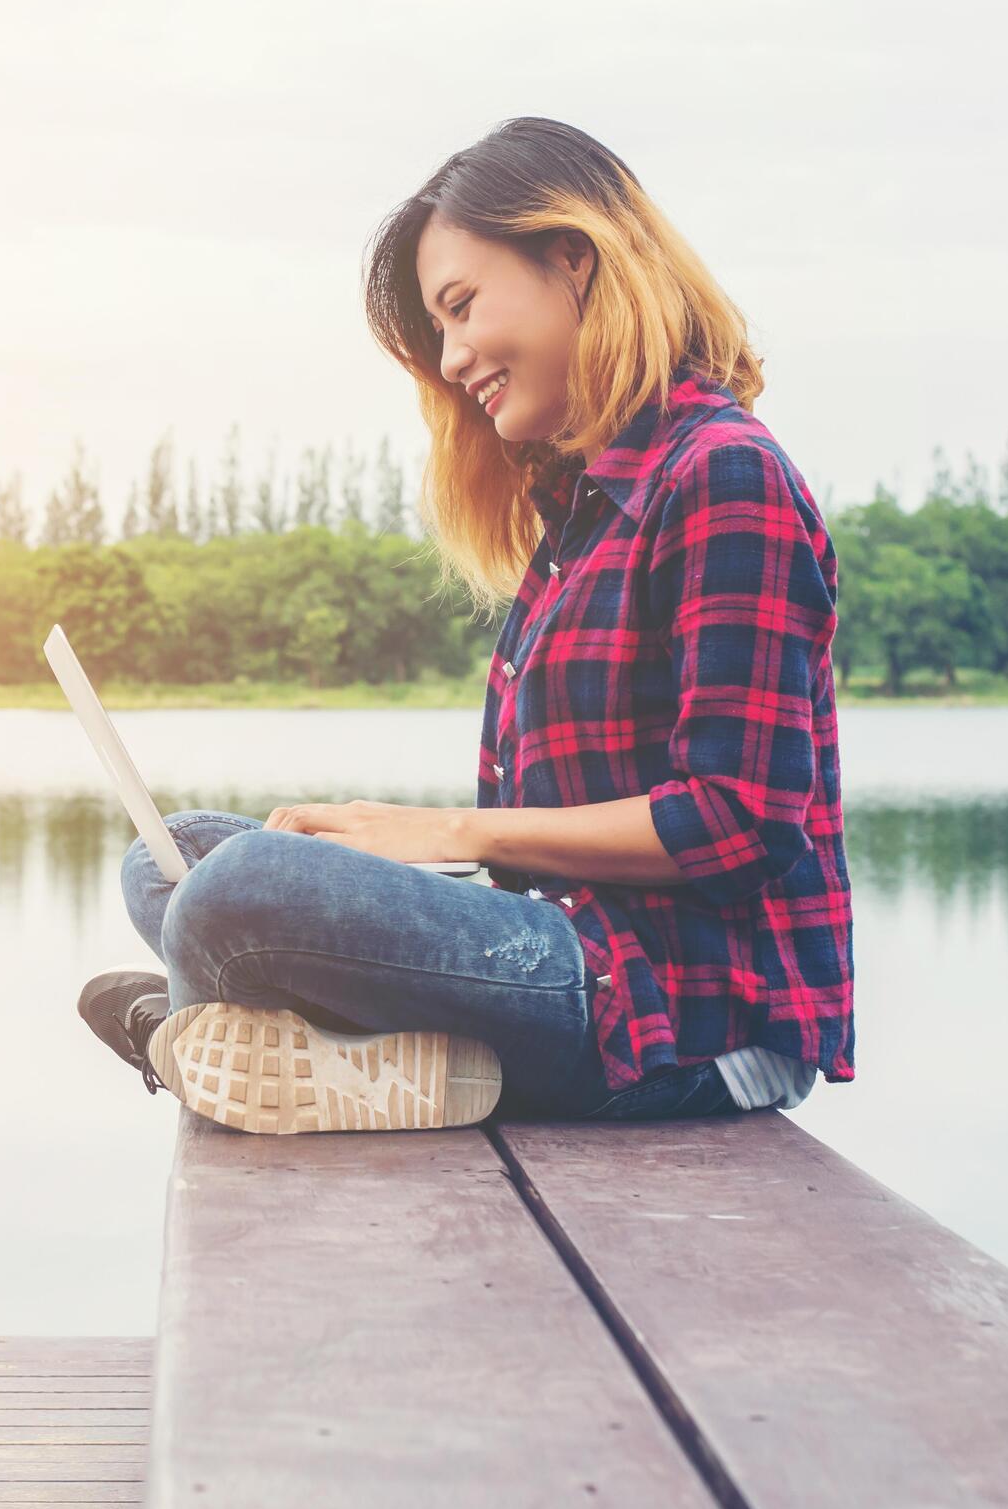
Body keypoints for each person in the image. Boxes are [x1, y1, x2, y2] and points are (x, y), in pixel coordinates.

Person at [78, 116, 853, 1131]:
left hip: (687, 1021)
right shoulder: (578, 516)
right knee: (174, 856)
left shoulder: (723, 472)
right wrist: (407, 851)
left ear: (573, 259)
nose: (449, 359)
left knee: (239, 894)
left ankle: (238, 1038)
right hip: (567, 951)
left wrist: (439, 834)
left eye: (459, 307)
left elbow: (738, 819)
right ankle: (317, 1052)